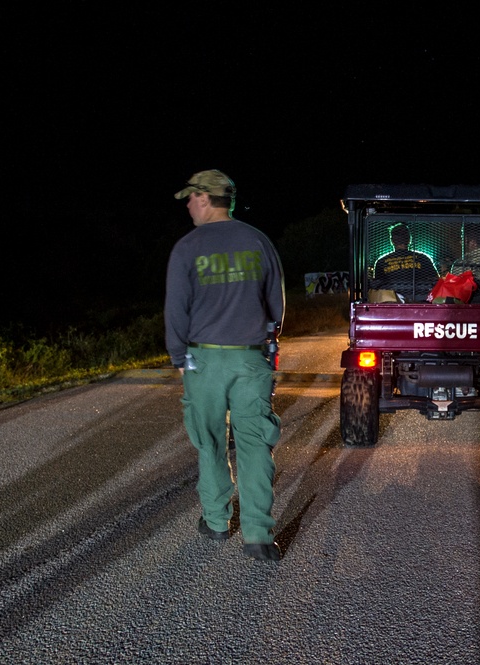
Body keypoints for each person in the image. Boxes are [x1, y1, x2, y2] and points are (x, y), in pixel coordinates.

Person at [165, 169, 286, 562]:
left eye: (190, 197)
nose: (187, 205)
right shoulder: (258, 240)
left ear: (205, 198)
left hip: (203, 359)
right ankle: (258, 536)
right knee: (255, 443)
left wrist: (178, 357)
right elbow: (276, 305)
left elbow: (175, 311)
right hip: (251, 358)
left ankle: (217, 522)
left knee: (210, 442)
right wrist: (268, 342)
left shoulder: (187, 247)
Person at [371, 222, 439, 300]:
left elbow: (377, 288)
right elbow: (436, 282)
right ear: (409, 239)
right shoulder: (423, 259)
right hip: (421, 302)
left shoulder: (381, 262)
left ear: (392, 241)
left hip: (393, 303)